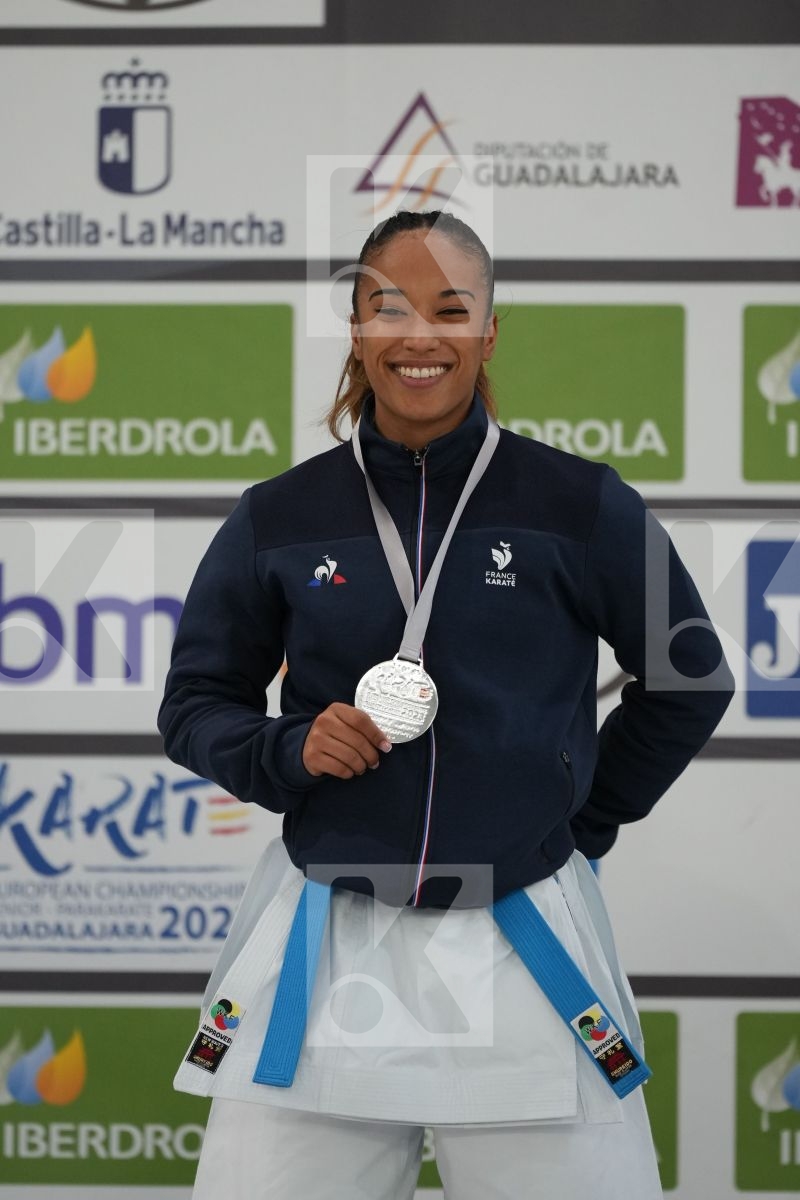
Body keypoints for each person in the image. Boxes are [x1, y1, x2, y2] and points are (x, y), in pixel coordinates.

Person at [158, 209, 734, 1200]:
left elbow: (687, 679)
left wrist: (575, 820)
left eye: (449, 309)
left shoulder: (579, 503)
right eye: (387, 307)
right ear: (354, 327)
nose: (418, 335)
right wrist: (289, 752)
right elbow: (197, 703)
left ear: (487, 332)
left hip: (523, 940)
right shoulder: (280, 515)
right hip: (328, 940)